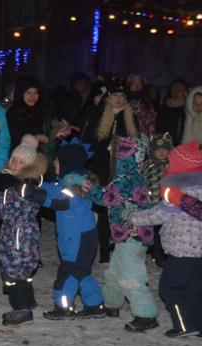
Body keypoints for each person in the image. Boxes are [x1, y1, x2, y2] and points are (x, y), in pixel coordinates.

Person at [23, 140, 103, 320]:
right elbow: (55, 188)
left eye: (58, 161)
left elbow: (60, 202)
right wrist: (39, 184)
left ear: (68, 162)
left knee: (67, 274)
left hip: (78, 240)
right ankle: (95, 305)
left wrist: (34, 195)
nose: (55, 164)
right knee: (82, 273)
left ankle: (63, 307)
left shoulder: (76, 187)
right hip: (80, 238)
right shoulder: (70, 181)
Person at [133, 141, 202, 337]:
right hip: (199, 253)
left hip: (183, 251)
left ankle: (184, 325)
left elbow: (158, 215)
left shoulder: (176, 193)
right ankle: (198, 324)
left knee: (170, 288)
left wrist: (134, 218)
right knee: (194, 289)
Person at [89, 137, 158, 331]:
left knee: (130, 276)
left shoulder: (126, 179)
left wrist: (89, 188)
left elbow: (104, 198)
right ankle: (111, 304)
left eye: (114, 155)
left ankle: (146, 315)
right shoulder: (135, 176)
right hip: (129, 236)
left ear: (123, 157)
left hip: (131, 237)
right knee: (114, 272)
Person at [0, 135, 47, 326]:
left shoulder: (25, 186)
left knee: (17, 272)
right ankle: (27, 302)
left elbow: (13, 209)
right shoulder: (9, 181)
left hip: (21, 236)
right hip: (12, 233)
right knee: (13, 269)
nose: (15, 164)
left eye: (21, 162)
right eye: (14, 159)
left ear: (29, 166)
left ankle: (22, 310)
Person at [85, 78, 139, 263]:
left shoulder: (130, 117)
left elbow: (136, 143)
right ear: (108, 97)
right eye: (115, 95)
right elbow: (90, 142)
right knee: (103, 208)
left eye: (122, 95)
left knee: (120, 207)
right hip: (101, 168)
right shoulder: (100, 115)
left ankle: (117, 244)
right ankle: (104, 251)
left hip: (122, 170)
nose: (118, 99)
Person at [142, 133, 173, 266]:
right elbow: (143, 183)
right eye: (158, 149)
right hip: (152, 205)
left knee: (167, 231)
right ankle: (156, 255)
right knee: (154, 232)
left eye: (165, 149)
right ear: (151, 151)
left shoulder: (173, 166)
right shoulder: (147, 167)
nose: (161, 152)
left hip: (169, 206)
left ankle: (167, 255)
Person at [156, 79, 187, 146]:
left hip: (183, 143)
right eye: (174, 89)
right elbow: (159, 127)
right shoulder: (164, 107)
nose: (176, 92)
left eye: (180, 89)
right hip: (166, 143)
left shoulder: (188, 108)